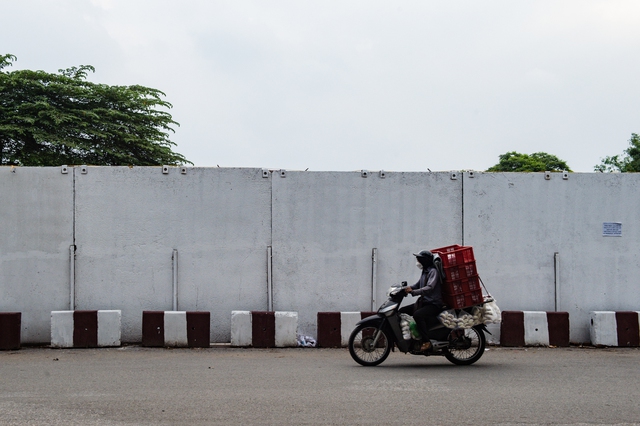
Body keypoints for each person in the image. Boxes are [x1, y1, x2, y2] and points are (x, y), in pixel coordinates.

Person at [399, 249, 444, 352]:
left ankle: (426, 341)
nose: (418, 262)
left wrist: (414, 292)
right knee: (402, 310)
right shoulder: (425, 271)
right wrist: (406, 289)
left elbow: (430, 287)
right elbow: (417, 285)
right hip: (424, 302)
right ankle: (411, 338)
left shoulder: (433, 271)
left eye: (419, 260)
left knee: (418, 315)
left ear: (425, 261)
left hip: (433, 304)